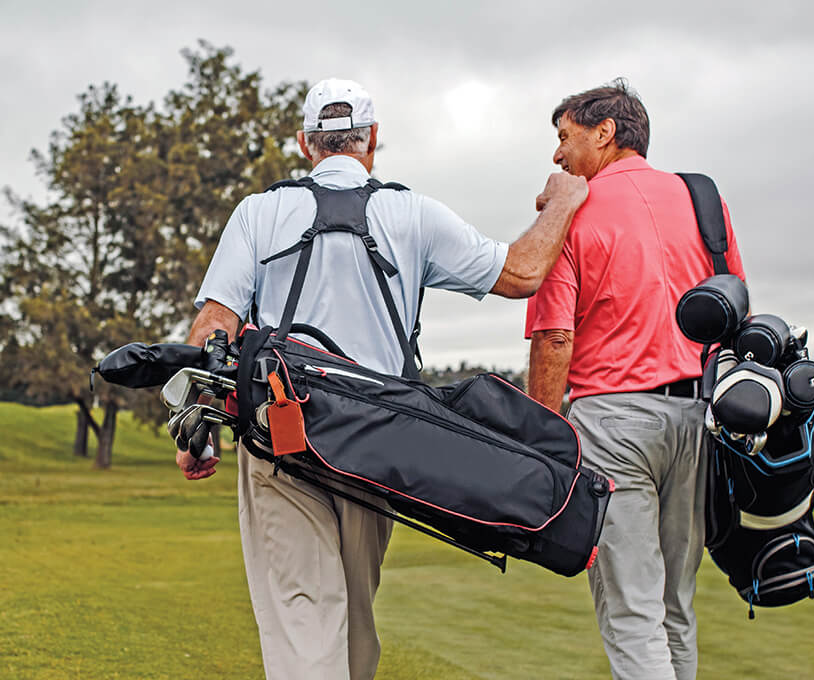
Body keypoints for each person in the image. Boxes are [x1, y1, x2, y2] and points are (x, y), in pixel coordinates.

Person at [174, 78, 588, 680]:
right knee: (354, 615)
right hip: (378, 445)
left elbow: (214, 325)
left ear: (303, 143)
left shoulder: (259, 211)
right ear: (372, 139)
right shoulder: (410, 211)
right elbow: (522, 273)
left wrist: (192, 432)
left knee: (303, 610)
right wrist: (564, 204)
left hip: (280, 433)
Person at [525, 79, 746, 680]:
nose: (557, 155)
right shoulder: (703, 199)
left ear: (605, 132)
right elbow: (737, 313)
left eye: (564, 137)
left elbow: (554, 337)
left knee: (632, 612)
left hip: (613, 423)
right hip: (696, 420)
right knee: (676, 608)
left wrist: (542, 444)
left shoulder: (569, 210)